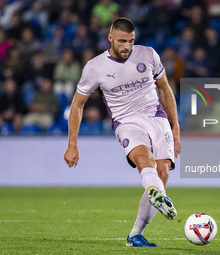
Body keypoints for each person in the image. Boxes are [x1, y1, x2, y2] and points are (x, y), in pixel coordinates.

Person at [64, 17, 181, 247]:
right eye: (121, 41)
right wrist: (72, 144)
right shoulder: (95, 67)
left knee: (163, 172)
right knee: (143, 160)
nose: (127, 46)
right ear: (110, 38)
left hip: (156, 117)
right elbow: (77, 105)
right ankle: (157, 194)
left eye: (130, 41)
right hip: (126, 122)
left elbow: (164, 89)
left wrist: (176, 127)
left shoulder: (148, 55)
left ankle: (136, 233)